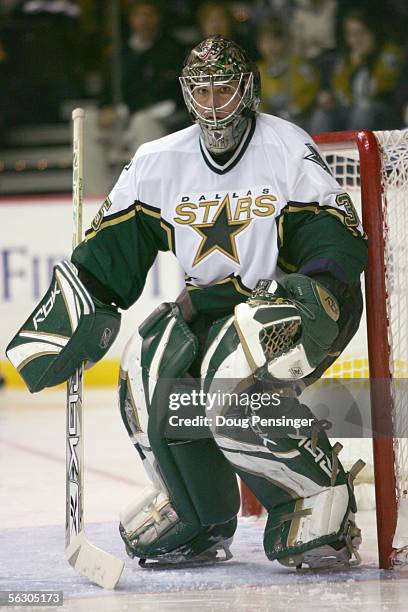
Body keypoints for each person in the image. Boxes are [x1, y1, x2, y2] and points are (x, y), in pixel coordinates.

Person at [7, 36, 368, 570]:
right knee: (146, 368)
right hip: (212, 309)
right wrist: (74, 309)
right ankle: (198, 511)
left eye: (225, 87)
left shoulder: (285, 147)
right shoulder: (159, 161)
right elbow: (110, 252)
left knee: (231, 380)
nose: (215, 101)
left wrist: (317, 290)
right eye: (203, 90)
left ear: (248, 90)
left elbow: (333, 233)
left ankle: (316, 497)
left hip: (290, 306)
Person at [310, 8, 404, 132]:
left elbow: (372, 90)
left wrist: (360, 62)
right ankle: (318, 151)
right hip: (351, 109)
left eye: (361, 33)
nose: (356, 39)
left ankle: (356, 150)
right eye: (351, 34)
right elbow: (340, 91)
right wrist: (329, 99)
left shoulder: (389, 53)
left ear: (373, 31)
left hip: (384, 110)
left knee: (363, 110)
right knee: (322, 114)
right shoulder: (346, 57)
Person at [256, 19, 319, 130]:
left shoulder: (300, 66)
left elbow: (311, 91)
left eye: (275, 41)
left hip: (300, 120)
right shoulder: (257, 70)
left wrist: (294, 109)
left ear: (286, 41)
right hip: (271, 121)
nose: (271, 46)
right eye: (266, 42)